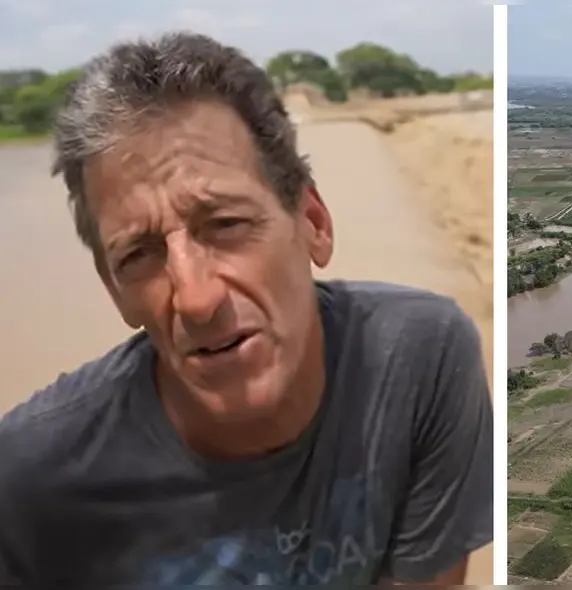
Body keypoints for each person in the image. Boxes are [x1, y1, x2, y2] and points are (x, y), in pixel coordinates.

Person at [0, 32, 493, 586]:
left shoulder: (419, 361)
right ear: (114, 290)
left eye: (227, 224)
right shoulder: (30, 482)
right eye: (139, 254)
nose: (196, 298)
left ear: (313, 222)